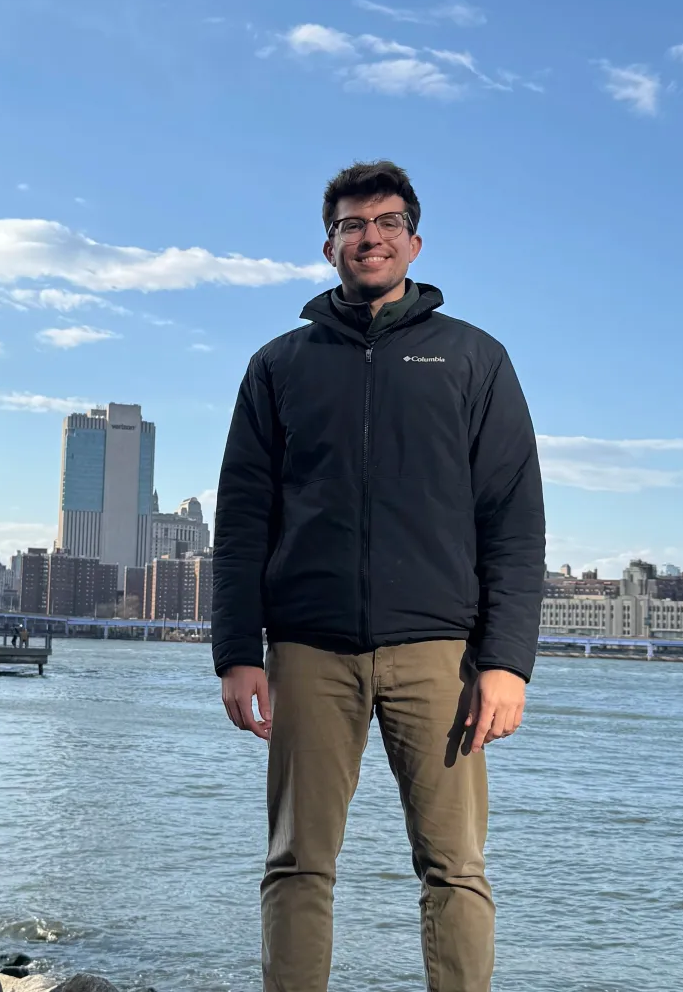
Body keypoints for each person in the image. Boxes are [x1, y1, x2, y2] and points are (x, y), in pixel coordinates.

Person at [212, 160, 545, 992]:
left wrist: (506, 662)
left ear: (414, 241)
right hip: (307, 648)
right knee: (296, 862)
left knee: (455, 866)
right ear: (328, 247)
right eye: (354, 225)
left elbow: (513, 518)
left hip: (439, 652)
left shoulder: (474, 359)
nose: (371, 237)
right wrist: (236, 652)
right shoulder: (279, 365)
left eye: (387, 222)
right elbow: (243, 518)